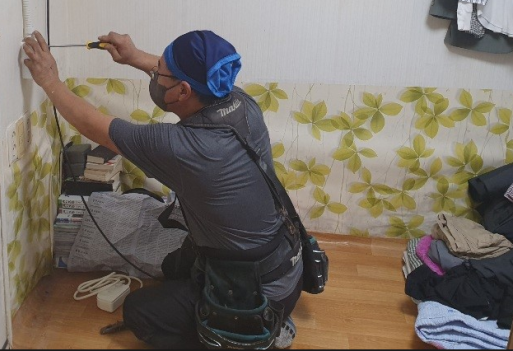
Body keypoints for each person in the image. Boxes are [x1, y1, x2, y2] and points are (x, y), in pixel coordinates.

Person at [22, 29, 303, 349]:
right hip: (285, 262)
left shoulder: (182, 147)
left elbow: (94, 125)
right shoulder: (240, 102)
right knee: (173, 266)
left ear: (183, 91)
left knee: (140, 311)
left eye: (160, 71)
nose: (155, 73)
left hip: (254, 294)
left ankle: (253, 334)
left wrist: (50, 81)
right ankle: (267, 316)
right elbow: (185, 77)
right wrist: (133, 56)